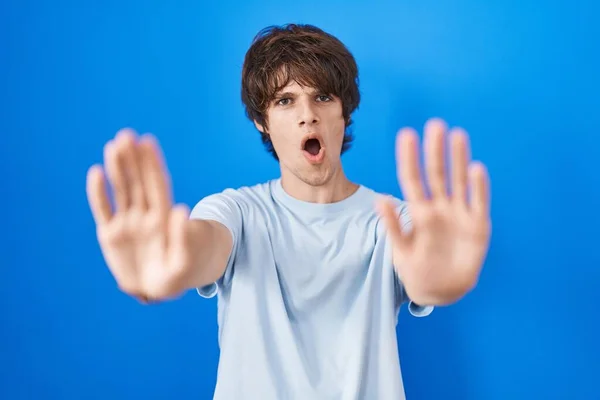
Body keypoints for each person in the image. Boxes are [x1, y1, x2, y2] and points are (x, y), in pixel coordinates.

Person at [85, 23, 491, 400]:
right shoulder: (236, 211)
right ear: (263, 121)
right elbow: (203, 247)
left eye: (323, 96)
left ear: (343, 112)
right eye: (285, 100)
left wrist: (437, 283)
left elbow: (423, 273)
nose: (307, 114)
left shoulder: (394, 222)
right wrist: (173, 265)